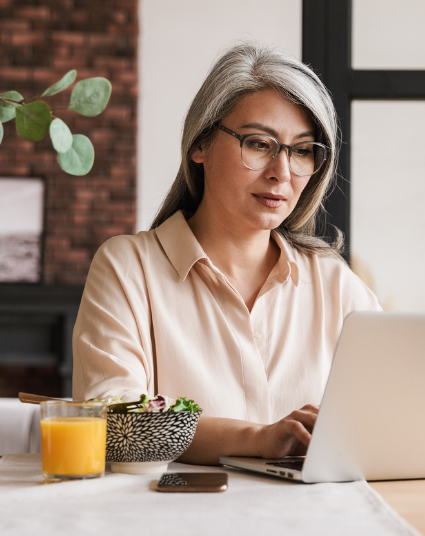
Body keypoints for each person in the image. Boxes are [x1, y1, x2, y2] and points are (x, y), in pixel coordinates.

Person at [72, 43, 382, 465]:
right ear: (200, 145)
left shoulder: (335, 284)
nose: (282, 172)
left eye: (303, 150)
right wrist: (259, 439)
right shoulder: (128, 268)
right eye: (258, 143)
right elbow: (115, 428)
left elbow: (392, 418)